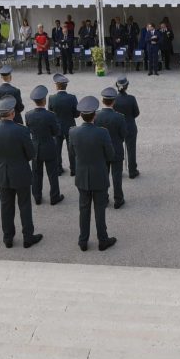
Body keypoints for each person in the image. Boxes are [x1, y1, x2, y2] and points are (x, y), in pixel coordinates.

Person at [0, 97, 43, 249]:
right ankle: (28, 237)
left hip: (2, 173)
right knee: (24, 206)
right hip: (20, 173)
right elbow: (31, 154)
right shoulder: (22, 130)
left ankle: (8, 238)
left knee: (6, 207)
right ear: (12, 113)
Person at [69, 96, 117, 251]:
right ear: (94, 115)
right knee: (99, 210)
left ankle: (83, 240)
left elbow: (72, 153)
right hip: (99, 175)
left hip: (82, 176)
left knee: (84, 209)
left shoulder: (73, 132)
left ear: (81, 115)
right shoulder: (102, 133)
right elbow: (110, 155)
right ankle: (102, 240)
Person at [26, 85, 63, 206]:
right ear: (44, 100)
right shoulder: (50, 115)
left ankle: (37, 196)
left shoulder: (28, 114)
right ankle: (54, 196)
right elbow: (56, 132)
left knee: (36, 173)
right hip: (49, 146)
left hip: (35, 147)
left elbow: (29, 129)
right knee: (52, 174)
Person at [97, 88, 128, 209]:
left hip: (102, 151)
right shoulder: (119, 117)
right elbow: (124, 134)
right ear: (114, 102)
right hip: (116, 149)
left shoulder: (96, 115)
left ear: (102, 101)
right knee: (117, 176)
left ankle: (104, 198)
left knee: (103, 176)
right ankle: (118, 199)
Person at [49, 74, 78, 176]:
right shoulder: (72, 98)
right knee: (72, 149)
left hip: (57, 126)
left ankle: (58, 169)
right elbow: (76, 114)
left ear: (57, 86)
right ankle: (74, 169)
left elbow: (50, 113)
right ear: (66, 86)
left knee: (57, 149)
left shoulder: (51, 98)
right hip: (70, 126)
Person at [114, 76, 140, 178]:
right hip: (130, 126)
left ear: (117, 85)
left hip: (117, 127)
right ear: (127, 86)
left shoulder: (114, 99)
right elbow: (136, 113)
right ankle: (132, 171)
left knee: (117, 148)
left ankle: (118, 170)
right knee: (131, 149)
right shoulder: (131, 98)